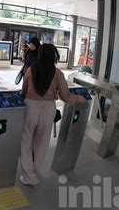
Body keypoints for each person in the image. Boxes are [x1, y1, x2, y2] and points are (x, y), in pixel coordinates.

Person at [19, 44, 86, 185]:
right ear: (54, 56)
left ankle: (28, 176)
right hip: (48, 108)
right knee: (42, 142)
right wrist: (80, 98)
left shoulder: (31, 70)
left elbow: (23, 91)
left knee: (26, 141)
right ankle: (34, 170)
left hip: (30, 107)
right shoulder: (58, 73)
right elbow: (66, 96)